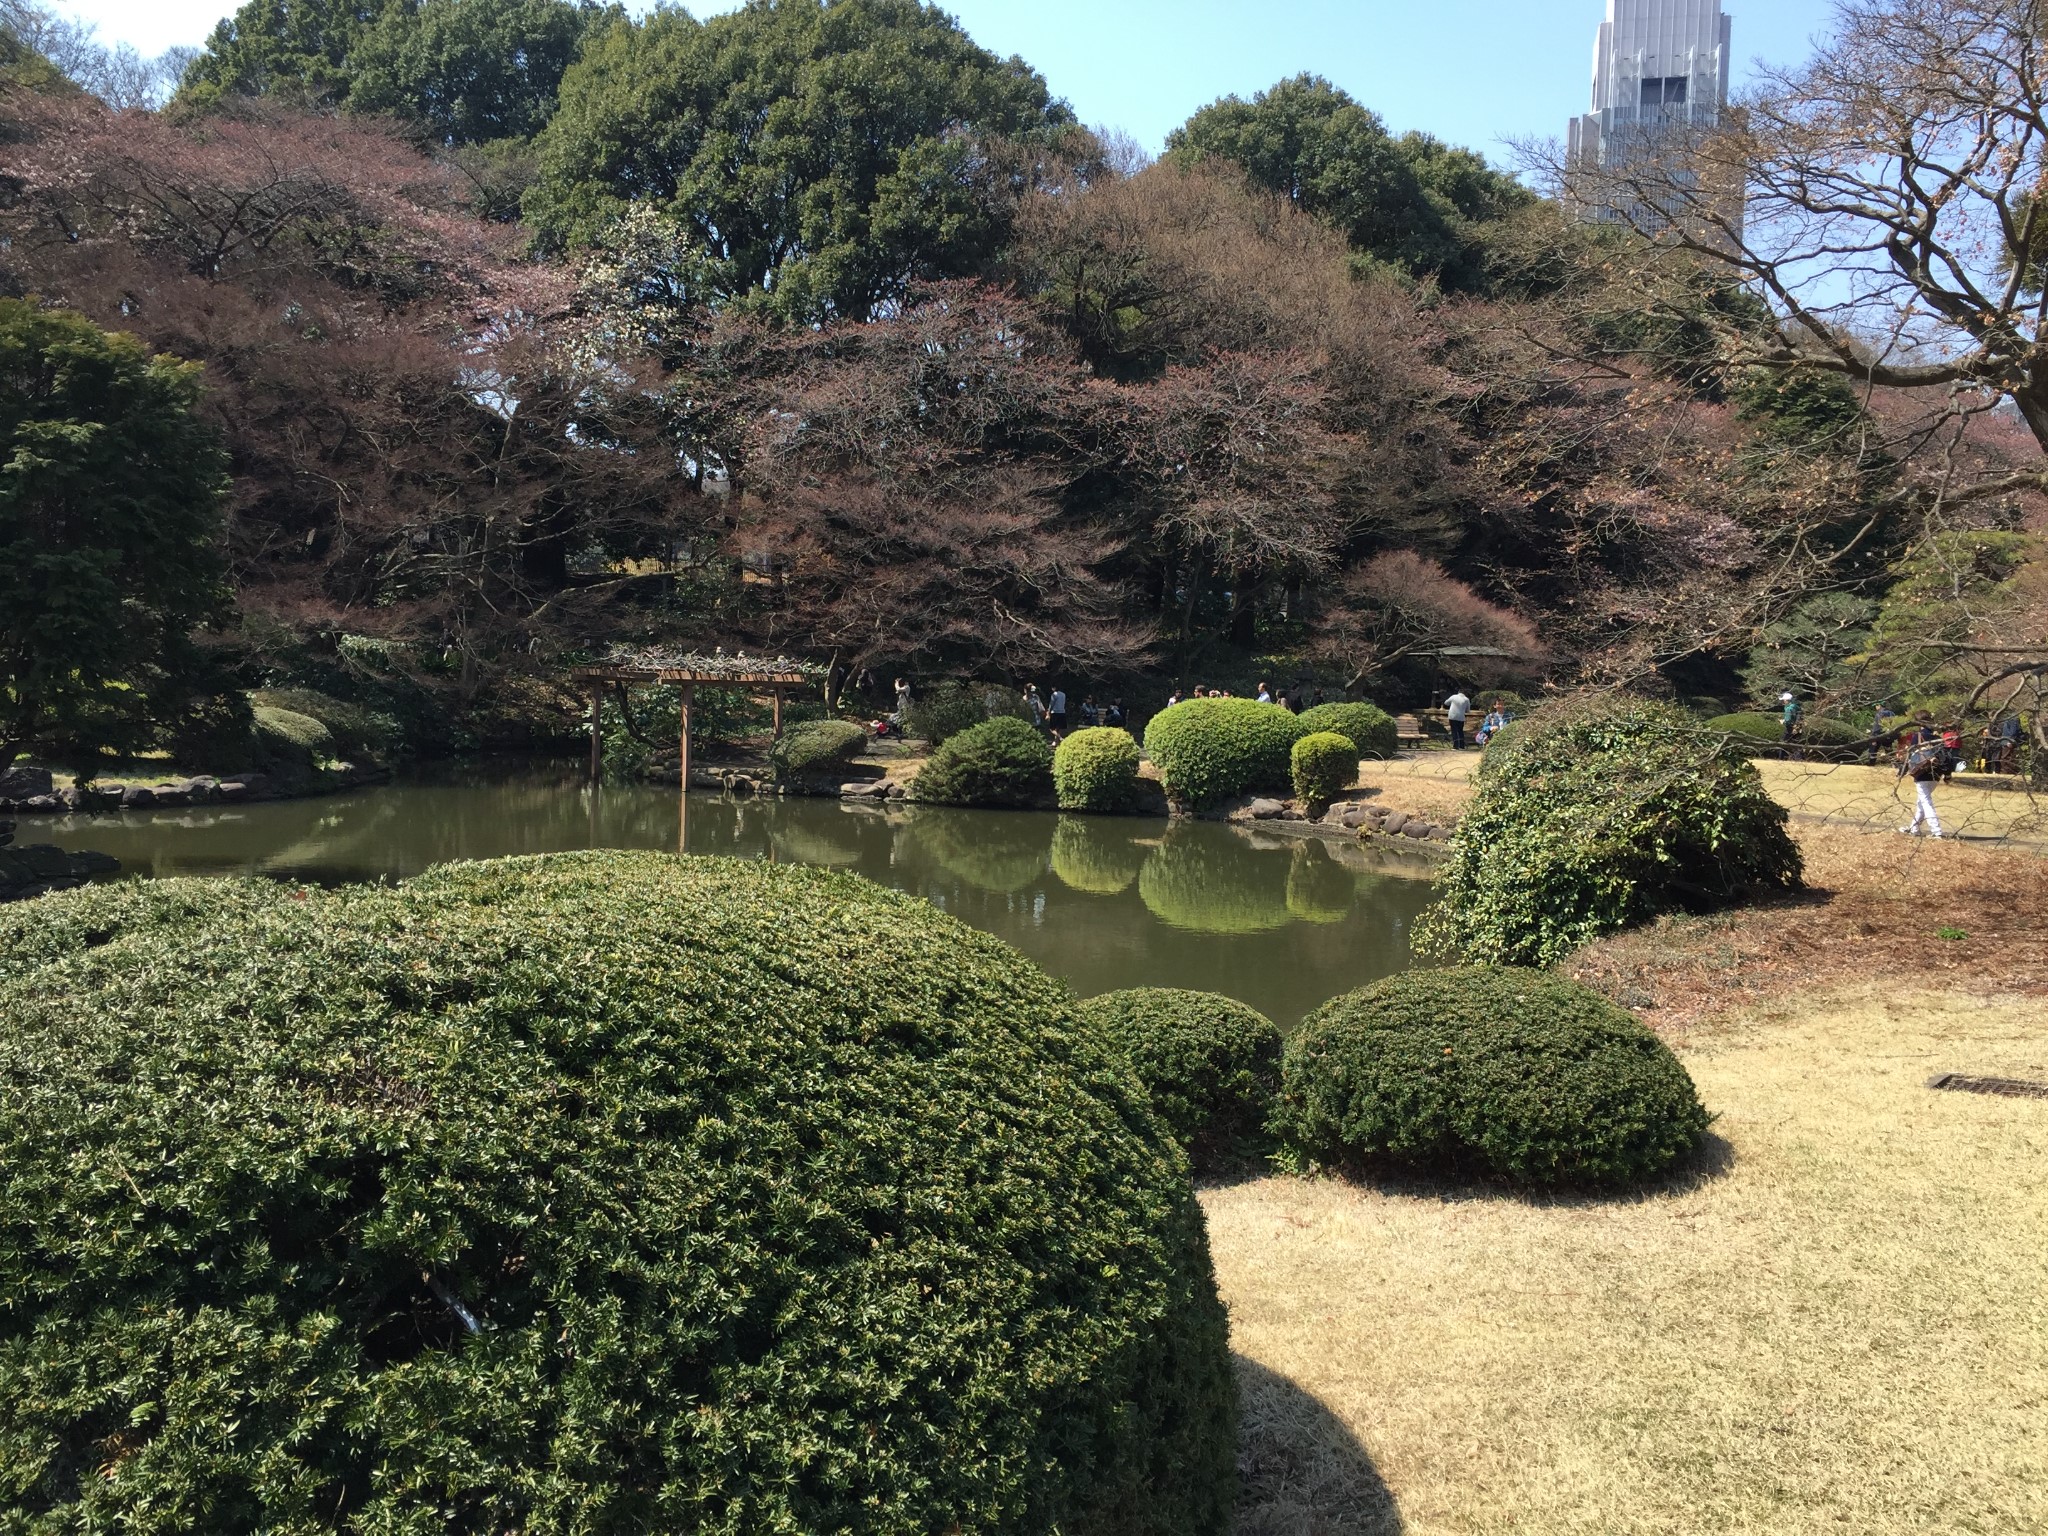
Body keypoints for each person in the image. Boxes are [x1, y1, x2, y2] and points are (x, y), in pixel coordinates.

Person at [1899, 725, 1946, 839]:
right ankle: (1913, 828)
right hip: (1935, 774)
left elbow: (1911, 755)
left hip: (1921, 773)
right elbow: (1945, 757)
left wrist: (1902, 771)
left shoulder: (1917, 737)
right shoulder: (1937, 738)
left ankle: (1936, 831)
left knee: (1926, 802)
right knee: (1921, 803)